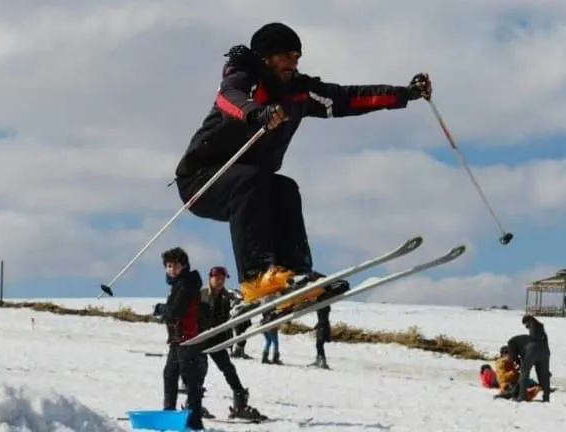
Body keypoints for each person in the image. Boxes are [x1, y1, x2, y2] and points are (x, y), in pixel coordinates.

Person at [173, 22, 432, 314]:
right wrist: (257, 113)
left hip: (250, 187)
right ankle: (256, 278)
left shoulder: (298, 91)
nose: (294, 61)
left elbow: (347, 98)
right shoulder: (244, 79)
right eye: (287, 55)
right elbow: (228, 99)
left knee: (284, 188)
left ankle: (296, 275)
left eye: (297, 56)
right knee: (253, 179)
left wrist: (404, 94)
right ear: (267, 57)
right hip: (201, 181)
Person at [200, 266, 265, 420]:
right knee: (199, 372)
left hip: (218, 339)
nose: (220, 281)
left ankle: (240, 402)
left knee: (228, 369)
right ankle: (193, 404)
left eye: (223, 278)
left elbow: (240, 304)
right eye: (217, 278)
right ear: (210, 278)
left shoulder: (227, 296)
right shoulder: (200, 294)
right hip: (201, 338)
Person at [160, 247, 207, 430]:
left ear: (184, 266)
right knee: (170, 375)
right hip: (177, 339)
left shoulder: (187, 284)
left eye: (175, 265)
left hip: (187, 339)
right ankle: (169, 414)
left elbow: (176, 311)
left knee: (190, 380)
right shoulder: (180, 284)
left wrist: (162, 310)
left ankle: (195, 420)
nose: (171, 269)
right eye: (168, 266)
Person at [504, 315, 551, 402]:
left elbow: (513, 357)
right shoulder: (540, 329)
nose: (526, 327)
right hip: (545, 349)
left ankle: (522, 396)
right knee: (544, 375)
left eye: (526, 325)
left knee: (524, 374)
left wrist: (518, 363)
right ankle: (546, 397)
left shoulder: (511, 342)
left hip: (532, 349)